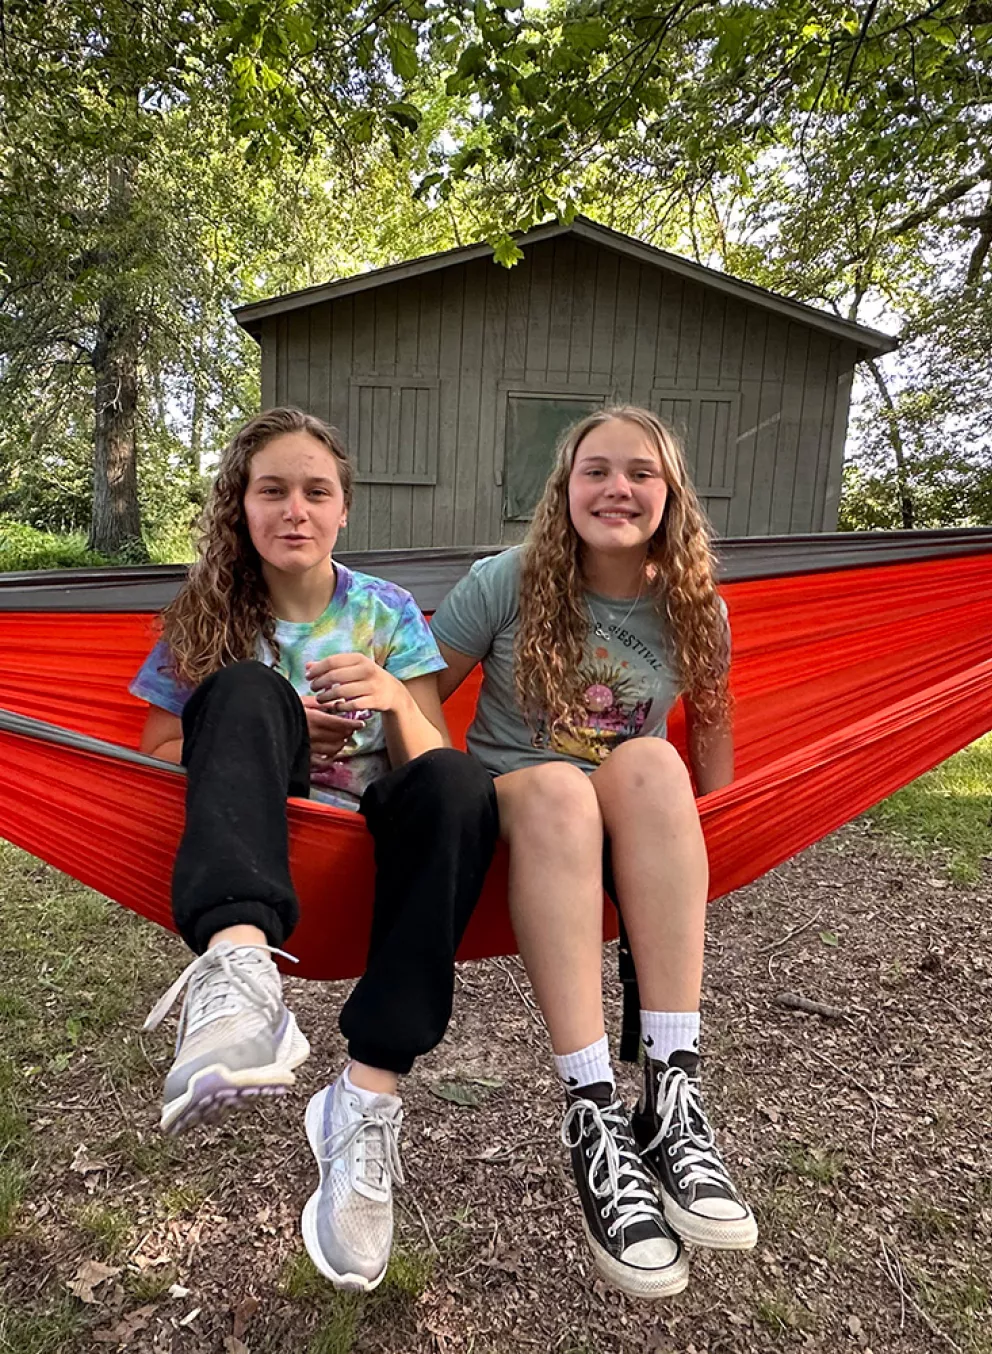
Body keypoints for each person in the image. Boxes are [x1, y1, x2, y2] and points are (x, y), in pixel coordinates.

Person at [131, 407, 499, 1293]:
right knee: (252, 690)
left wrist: (392, 697)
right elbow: (151, 759)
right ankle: (237, 977)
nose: (294, 508)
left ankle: (365, 1102)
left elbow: (435, 764)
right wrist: (286, 733)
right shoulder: (207, 614)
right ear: (242, 506)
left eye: (315, 491)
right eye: (272, 490)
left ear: (343, 511)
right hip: (263, 848)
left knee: (466, 786)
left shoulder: (386, 611)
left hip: (375, 847)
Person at [430, 405, 755, 1299]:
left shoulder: (697, 608)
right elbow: (424, 695)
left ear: (670, 494)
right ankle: (592, 1111)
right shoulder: (507, 579)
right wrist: (404, 808)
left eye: (641, 472)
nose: (618, 488)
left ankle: (674, 1098)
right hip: (519, 806)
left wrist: (732, 827)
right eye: (596, 471)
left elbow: (711, 742)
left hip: (623, 816)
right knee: (565, 785)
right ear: (564, 490)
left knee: (652, 758)